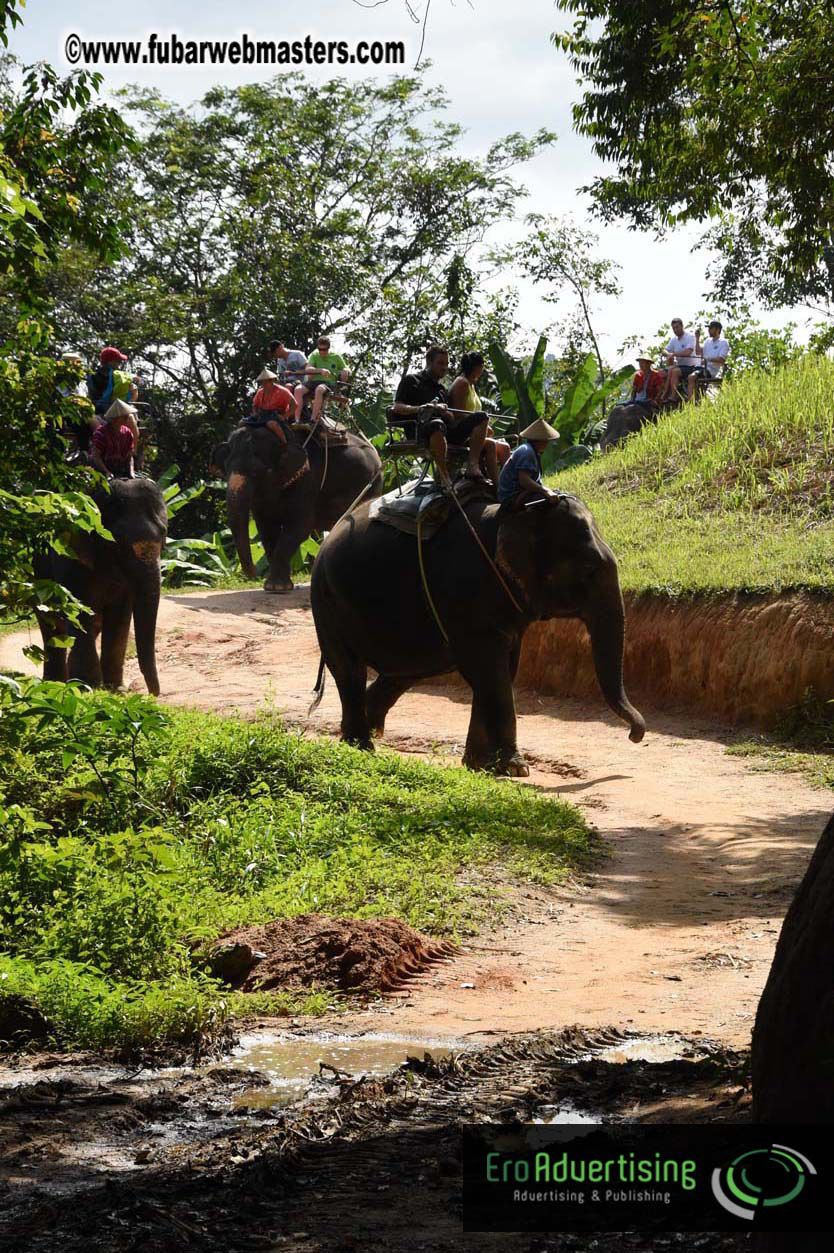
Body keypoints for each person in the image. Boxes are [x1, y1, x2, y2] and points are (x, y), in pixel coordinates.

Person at [392, 345, 490, 488]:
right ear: (429, 362)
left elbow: (451, 417)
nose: (444, 367)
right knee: (437, 424)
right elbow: (397, 407)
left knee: (482, 417)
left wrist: (445, 411)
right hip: (420, 429)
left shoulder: (442, 389)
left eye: (446, 364)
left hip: (445, 430)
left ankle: (472, 466)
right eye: (440, 363)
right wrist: (422, 408)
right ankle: (444, 476)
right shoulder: (412, 380)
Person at [447, 350, 503, 483]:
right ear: (477, 367)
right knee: (491, 442)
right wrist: (480, 422)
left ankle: (504, 485)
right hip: (461, 431)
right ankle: (473, 466)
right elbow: (457, 413)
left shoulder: (471, 384)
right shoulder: (462, 383)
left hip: (474, 430)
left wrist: (484, 427)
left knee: (504, 447)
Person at [497, 418, 560, 505]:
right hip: (511, 495)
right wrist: (546, 491)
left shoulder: (533, 451)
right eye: (547, 441)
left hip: (522, 491)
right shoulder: (527, 452)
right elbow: (524, 481)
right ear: (542, 441)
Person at [87, 347, 140, 444]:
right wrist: (131, 404)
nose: (119, 364)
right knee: (131, 418)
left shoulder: (92, 375)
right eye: (118, 361)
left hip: (98, 411)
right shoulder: (121, 376)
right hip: (117, 411)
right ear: (112, 361)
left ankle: (99, 445)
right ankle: (133, 451)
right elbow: (134, 390)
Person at [90, 398, 136, 478]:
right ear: (115, 418)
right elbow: (96, 457)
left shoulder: (128, 433)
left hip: (119, 470)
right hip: (101, 470)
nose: (127, 418)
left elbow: (130, 456)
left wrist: (131, 472)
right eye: (124, 416)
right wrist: (106, 472)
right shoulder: (101, 433)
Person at [245, 368, 295, 441]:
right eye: (262, 382)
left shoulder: (283, 391)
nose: (263, 384)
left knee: (272, 424)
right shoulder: (260, 392)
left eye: (265, 382)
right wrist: (255, 413)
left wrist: (284, 416)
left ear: (272, 381)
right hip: (262, 415)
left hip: (276, 415)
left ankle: (285, 443)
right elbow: (255, 405)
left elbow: (294, 405)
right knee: (242, 422)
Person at [687, 320, 730, 400]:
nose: (709, 330)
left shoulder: (723, 343)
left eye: (711, 328)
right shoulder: (707, 341)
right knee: (679, 372)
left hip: (710, 370)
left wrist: (708, 359)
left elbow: (721, 359)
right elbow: (698, 351)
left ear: (717, 330)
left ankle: (690, 403)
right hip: (700, 367)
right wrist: (697, 338)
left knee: (691, 377)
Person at [659, 318, 699, 402]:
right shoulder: (674, 340)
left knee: (674, 371)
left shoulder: (690, 337)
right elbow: (664, 350)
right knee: (661, 373)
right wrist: (668, 354)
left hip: (691, 367)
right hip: (679, 366)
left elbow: (688, 352)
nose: (675, 330)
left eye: (677, 327)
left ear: (682, 326)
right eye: (673, 328)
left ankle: (673, 396)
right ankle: (661, 395)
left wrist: (674, 354)